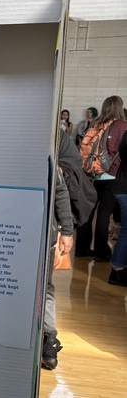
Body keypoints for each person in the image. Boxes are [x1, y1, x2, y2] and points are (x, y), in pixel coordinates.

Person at [74, 95, 127, 262]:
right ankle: (101, 251)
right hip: (112, 175)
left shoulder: (95, 125)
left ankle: (81, 248)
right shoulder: (123, 126)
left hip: (91, 174)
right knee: (104, 214)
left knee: (88, 212)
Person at [42, 164, 74, 370]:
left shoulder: (45, 154)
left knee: (45, 288)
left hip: (45, 234)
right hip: (8, 233)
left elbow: (60, 190)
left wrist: (67, 230)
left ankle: (49, 338)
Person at [109, 129, 127, 286]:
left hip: (121, 186)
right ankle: (117, 270)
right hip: (125, 189)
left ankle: (118, 268)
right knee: (126, 232)